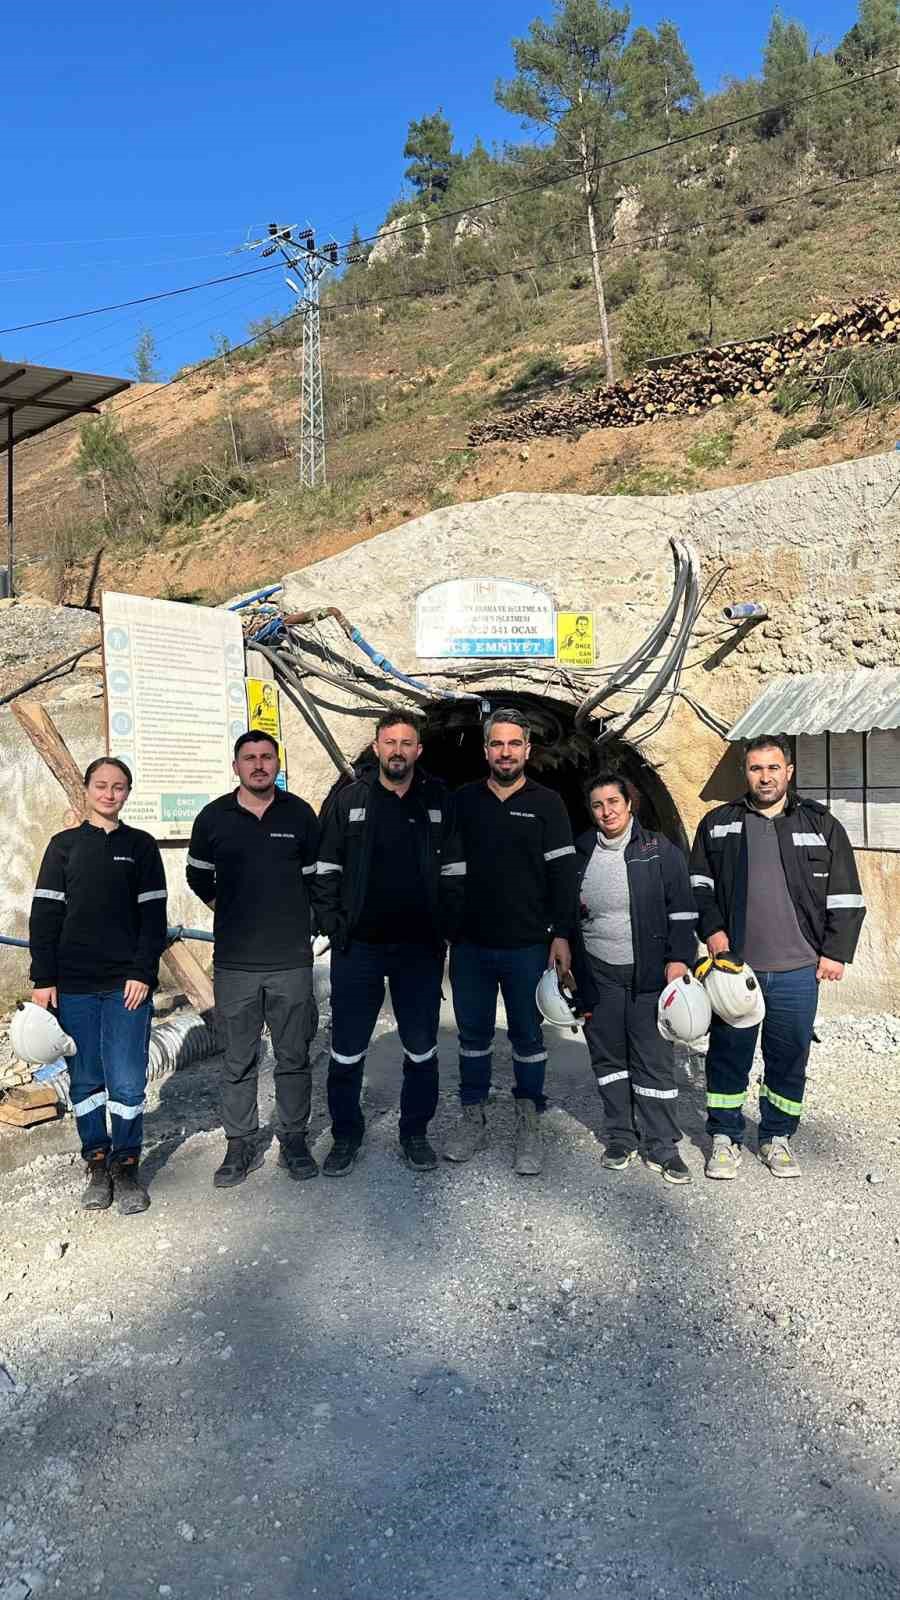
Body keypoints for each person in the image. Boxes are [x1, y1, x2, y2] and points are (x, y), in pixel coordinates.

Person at [690, 733, 866, 1180]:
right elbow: (699, 887)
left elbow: (846, 896)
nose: (764, 777)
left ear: (789, 772)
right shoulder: (718, 824)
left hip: (798, 970)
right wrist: (711, 929)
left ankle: (776, 1137)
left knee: (789, 1056)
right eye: (755, 768)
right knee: (729, 1054)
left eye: (773, 768)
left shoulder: (822, 825)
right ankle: (725, 1138)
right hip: (736, 969)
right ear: (744, 773)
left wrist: (835, 952)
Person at [315, 710, 463, 1174]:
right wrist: (333, 922)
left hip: (418, 949)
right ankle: (345, 1135)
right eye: (389, 742)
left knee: (421, 1047)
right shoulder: (349, 799)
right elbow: (326, 867)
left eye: (406, 743)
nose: (397, 750)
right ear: (376, 748)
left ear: (418, 750)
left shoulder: (439, 800)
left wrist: (447, 923)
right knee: (347, 1048)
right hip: (358, 947)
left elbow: (456, 870)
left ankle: (415, 1132)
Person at [29, 757, 168, 1215]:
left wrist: (143, 972)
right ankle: (97, 1161)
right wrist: (43, 979)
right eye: (102, 786)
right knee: (86, 1078)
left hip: (127, 985)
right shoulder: (63, 847)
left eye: (119, 787)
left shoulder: (141, 846)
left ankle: (126, 1165)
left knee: (128, 1080)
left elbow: (153, 919)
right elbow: (45, 917)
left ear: (128, 793)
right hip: (74, 987)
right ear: (86, 789)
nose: (110, 794)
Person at [186, 731, 320, 1189]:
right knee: (237, 1059)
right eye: (250, 758)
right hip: (236, 964)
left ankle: (294, 1138)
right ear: (236, 765)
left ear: (277, 763)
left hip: (290, 961)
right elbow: (198, 876)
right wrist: (232, 909)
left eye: (266, 757)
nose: (259, 765)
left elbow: (316, 879)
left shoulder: (300, 815)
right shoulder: (213, 818)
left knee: (293, 1055)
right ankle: (240, 1143)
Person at [446, 708, 577, 1176]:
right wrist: (449, 927)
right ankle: (472, 1116)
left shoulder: (548, 803)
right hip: (471, 947)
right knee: (473, 1036)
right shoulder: (462, 801)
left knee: (528, 1036)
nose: (506, 752)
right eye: (497, 744)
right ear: (486, 751)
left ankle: (529, 1119)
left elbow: (564, 874)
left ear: (528, 750)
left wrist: (561, 934)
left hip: (527, 945)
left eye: (514, 744)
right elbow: (447, 871)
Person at [570, 773, 698, 1184]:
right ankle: (621, 1137)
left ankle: (662, 1146)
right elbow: (565, 909)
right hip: (598, 972)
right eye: (597, 805)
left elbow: (682, 910)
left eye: (614, 802)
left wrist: (680, 959)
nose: (607, 812)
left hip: (649, 974)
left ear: (630, 804)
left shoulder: (659, 850)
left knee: (653, 1059)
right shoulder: (581, 850)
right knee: (608, 1057)